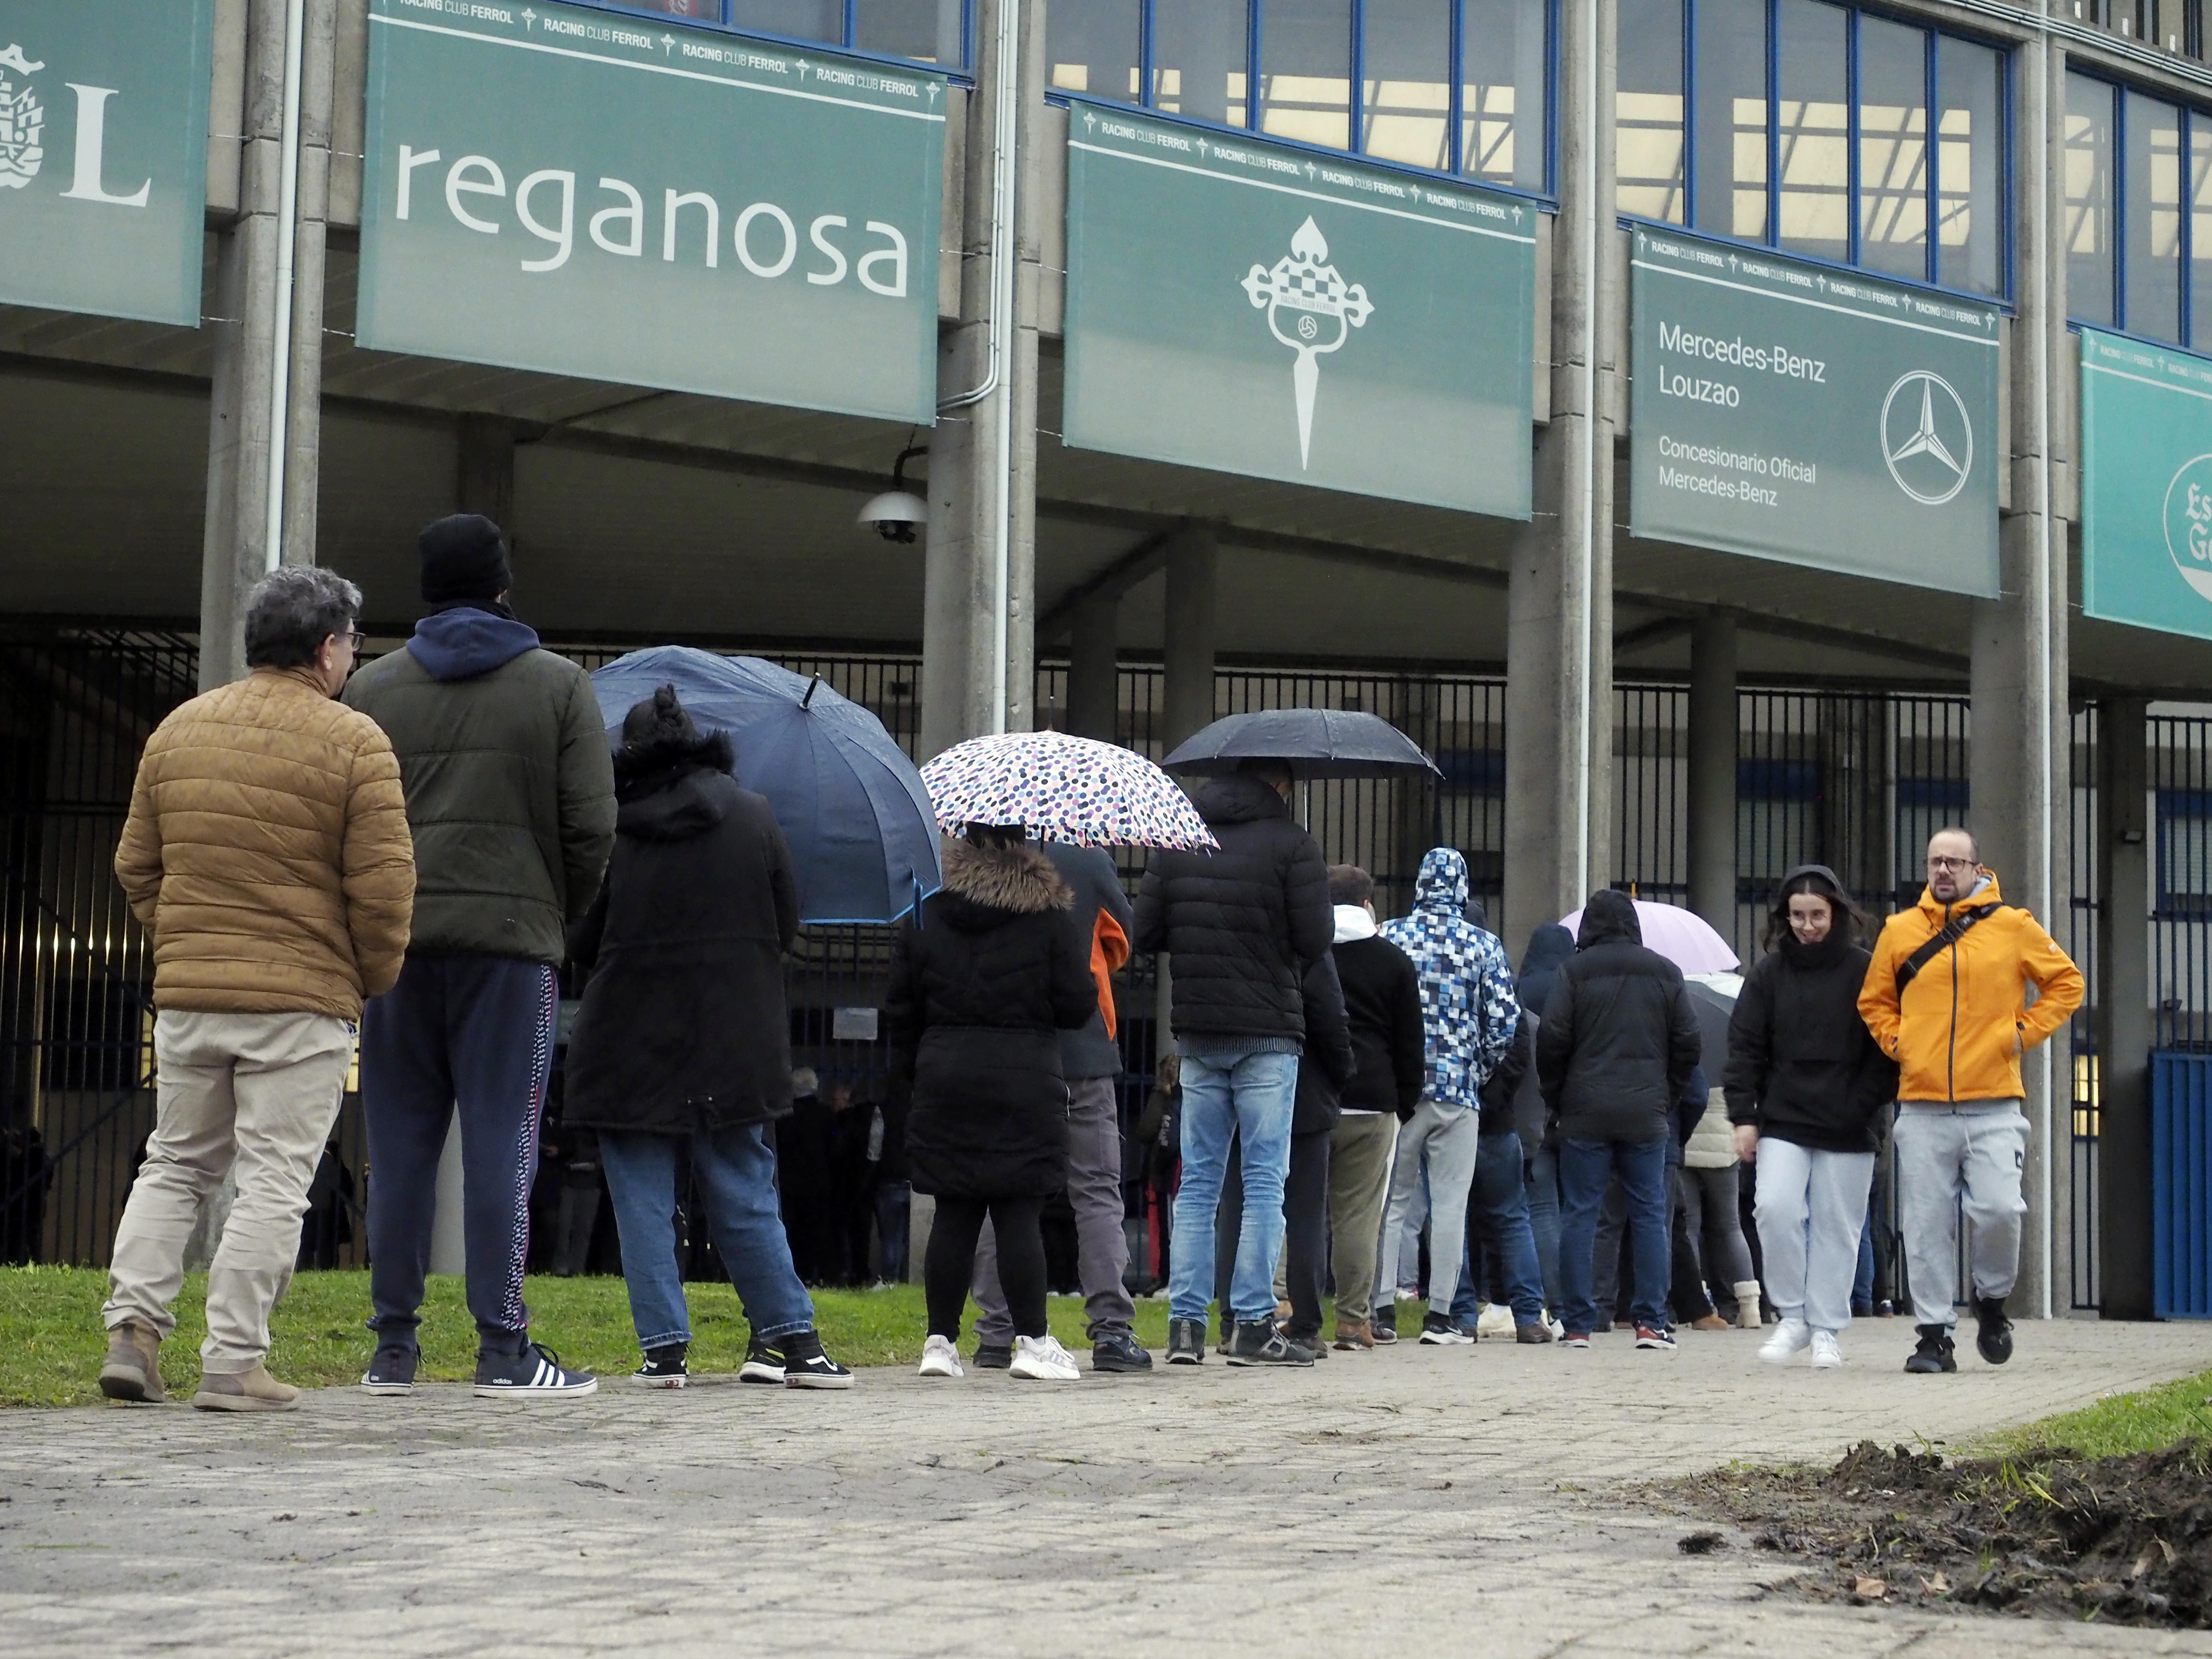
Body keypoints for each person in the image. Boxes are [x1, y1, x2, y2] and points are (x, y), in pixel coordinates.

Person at [100, 567, 414, 1410]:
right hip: (302, 1002)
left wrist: (187, 943)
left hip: (193, 999)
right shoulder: (356, 744)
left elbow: (136, 863)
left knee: (175, 1163)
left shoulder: (179, 730)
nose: (354, 655)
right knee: (274, 1179)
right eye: (352, 641)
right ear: (325, 648)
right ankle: (233, 1361)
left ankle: (133, 1331)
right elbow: (382, 893)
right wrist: (366, 976)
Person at [343, 513, 616, 1399]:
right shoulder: (559, 687)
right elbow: (591, 826)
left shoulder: (373, 689)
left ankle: (393, 1349)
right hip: (511, 951)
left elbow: (347, 828)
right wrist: (552, 917)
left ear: (424, 589)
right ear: (503, 584)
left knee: (398, 1149)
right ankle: (503, 1350)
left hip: (397, 952)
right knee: (505, 1146)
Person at [560, 687, 852, 1391]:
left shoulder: (614, 831)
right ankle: (799, 1344)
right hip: (734, 1033)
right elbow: (786, 929)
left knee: (641, 1199)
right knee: (745, 1189)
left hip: (628, 1037)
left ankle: (664, 1353)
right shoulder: (752, 816)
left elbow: (583, 942)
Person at [1859, 828, 2083, 1375]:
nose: (1942, 871)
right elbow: (1875, 1001)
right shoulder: (1899, 931)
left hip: (1995, 1104)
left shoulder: (2013, 927)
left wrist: (2020, 1035)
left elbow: (2067, 984)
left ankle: (1991, 1299)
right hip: (1923, 1104)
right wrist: (1900, 1044)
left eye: (1954, 862)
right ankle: (1934, 1335)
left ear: (1977, 868)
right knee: (1928, 1224)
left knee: (2000, 1210)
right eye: (1935, 861)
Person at [1134, 759, 1332, 1368]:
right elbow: (1317, 937)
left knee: (1197, 1184)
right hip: (1269, 1032)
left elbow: (1146, 931)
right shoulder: (1294, 846)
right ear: (1280, 788)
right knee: (1265, 1181)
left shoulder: (1178, 840)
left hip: (1197, 1030)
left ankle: (1185, 1328)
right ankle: (1250, 1323)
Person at [889, 825, 1096, 1382]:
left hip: (945, 1074)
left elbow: (901, 1006)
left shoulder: (926, 909)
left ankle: (939, 1342)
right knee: (1017, 1211)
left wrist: (916, 1074)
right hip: (1023, 1078)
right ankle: (1031, 1341)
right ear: (1024, 844)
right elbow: (1078, 1005)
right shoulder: (1048, 915)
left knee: (954, 1211)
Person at [972, 841, 1149, 1373]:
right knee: (1095, 1188)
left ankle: (995, 1332)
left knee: (997, 1191)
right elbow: (1122, 939)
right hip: (1083, 1050)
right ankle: (1111, 1329)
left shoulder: (981, 865)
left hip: (1004, 1049)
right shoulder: (1088, 861)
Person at [1725, 865, 1899, 1370]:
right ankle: (1793, 1317)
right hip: (1784, 1118)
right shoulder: (1767, 976)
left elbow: (1887, 1049)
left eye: (1817, 915)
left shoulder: (1866, 970)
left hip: (1850, 1121)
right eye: (1798, 916)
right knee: (1774, 1210)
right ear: (1784, 918)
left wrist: (1863, 1103)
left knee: (1838, 1227)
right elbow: (1744, 1049)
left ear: (1838, 913)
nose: (1807, 926)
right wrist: (1744, 1117)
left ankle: (1826, 1328)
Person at [1538, 890, 1703, 1351]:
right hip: (1647, 1113)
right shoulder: (1666, 972)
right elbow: (1689, 1042)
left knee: (1581, 1214)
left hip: (1584, 1111)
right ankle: (1651, 1322)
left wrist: (1560, 1098)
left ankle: (1576, 1323)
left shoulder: (1572, 971)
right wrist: (1666, 1095)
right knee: (1651, 1213)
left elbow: (1551, 1039)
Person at [1375, 848, 1519, 1346]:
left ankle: (1381, 1311)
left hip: (1402, 1093)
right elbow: (1504, 1023)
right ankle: (1440, 1318)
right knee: (1451, 1206)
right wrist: (1475, 1069)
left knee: (1392, 1204)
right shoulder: (1483, 944)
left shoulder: (1392, 936)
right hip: (1458, 1093)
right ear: (1462, 888)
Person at [1215, 952, 1355, 1355]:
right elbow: (1331, 1019)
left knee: (1237, 1207)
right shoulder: (1307, 945)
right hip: (1306, 1092)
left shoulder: (1239, 932)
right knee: (1307, 1213)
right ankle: (1307, 1322)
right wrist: (1342, 1072)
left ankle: (1231, 1320)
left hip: (1242, 1084)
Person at [1322, 865, 1425, 1350]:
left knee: (1293, 1209)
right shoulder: (1394, 962)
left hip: (1316, 1099)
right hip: (1375, 1101)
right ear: (1367, 906)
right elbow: (1411, 1043)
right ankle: (1352, 1319)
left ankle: (1283, 1305)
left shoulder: (1310, 955)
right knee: (1357, 1216)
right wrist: (1403, 1104)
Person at [1515, 925, 1575, 1313]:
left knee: (1536, 1208)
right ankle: (1571, 1298)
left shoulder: (1522, 986)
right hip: (1573, 1109)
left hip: (1530, 1109)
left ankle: (1543, 1296)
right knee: (1576, 1210)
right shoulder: (1575, 983)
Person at [1679, 1081, 1759, 1329]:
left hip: (1690, 1143)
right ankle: (1750, 1307)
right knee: (1732, 1226)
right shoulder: (1727, 1051)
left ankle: (1699, 1302)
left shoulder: (1691, 1049)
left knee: (1690, 1226)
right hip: (1724, 1145)